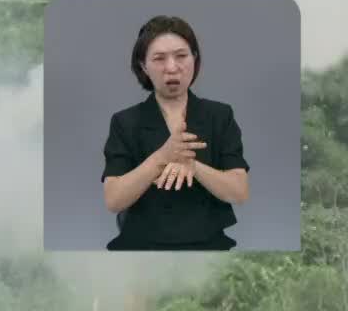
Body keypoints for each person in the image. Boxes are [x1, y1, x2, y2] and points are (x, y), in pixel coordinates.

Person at [100, 15, 250, 250]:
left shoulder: (220, 116)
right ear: (143, 66)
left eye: (181, 56)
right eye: (159, 58)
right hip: (139, 247)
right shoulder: (125, 122)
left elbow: (239, 191)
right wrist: (163, 157)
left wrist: (192, 166)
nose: (172, 67)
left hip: (209, 246)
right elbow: (113, 200)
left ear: (194, 59)